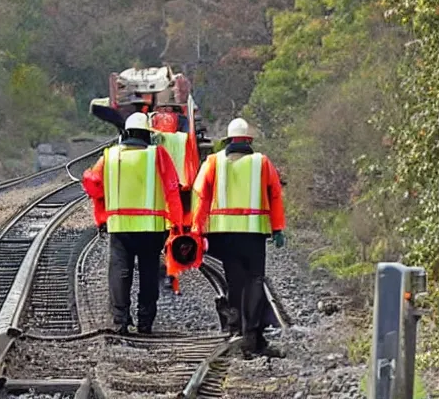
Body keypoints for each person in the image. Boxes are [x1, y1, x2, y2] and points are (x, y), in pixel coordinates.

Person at [192, 117, 286, 359]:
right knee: (255, 280)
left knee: (235, 281)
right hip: (254, 235)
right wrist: (277, 229)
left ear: (228, 140)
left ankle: (236, 330)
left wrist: (196, 229)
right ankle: (252, 334)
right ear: (249, 140)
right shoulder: (262, 163)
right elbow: (274, 195)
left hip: (225, 234)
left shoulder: (213, 162)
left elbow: (201, 195)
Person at [82, 112, 183, 335]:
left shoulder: (109, 156)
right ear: (148, 134)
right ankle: (145, 322)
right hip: (151, 229)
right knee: (149, 273)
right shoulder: (158, 155)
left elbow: (93, 185)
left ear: (125, 134)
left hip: (120, 227)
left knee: (120, 271)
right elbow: (172, 190)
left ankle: (120, 322)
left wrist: (101, 217)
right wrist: (177, 225)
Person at [151, 109, 200, 294]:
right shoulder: (183, 139)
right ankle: (171, 279)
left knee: (155, 242)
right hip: (180, 194)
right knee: (175, 239)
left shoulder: (153, 142)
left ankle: (160, 277)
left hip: (159, 197)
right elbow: (192, 165)